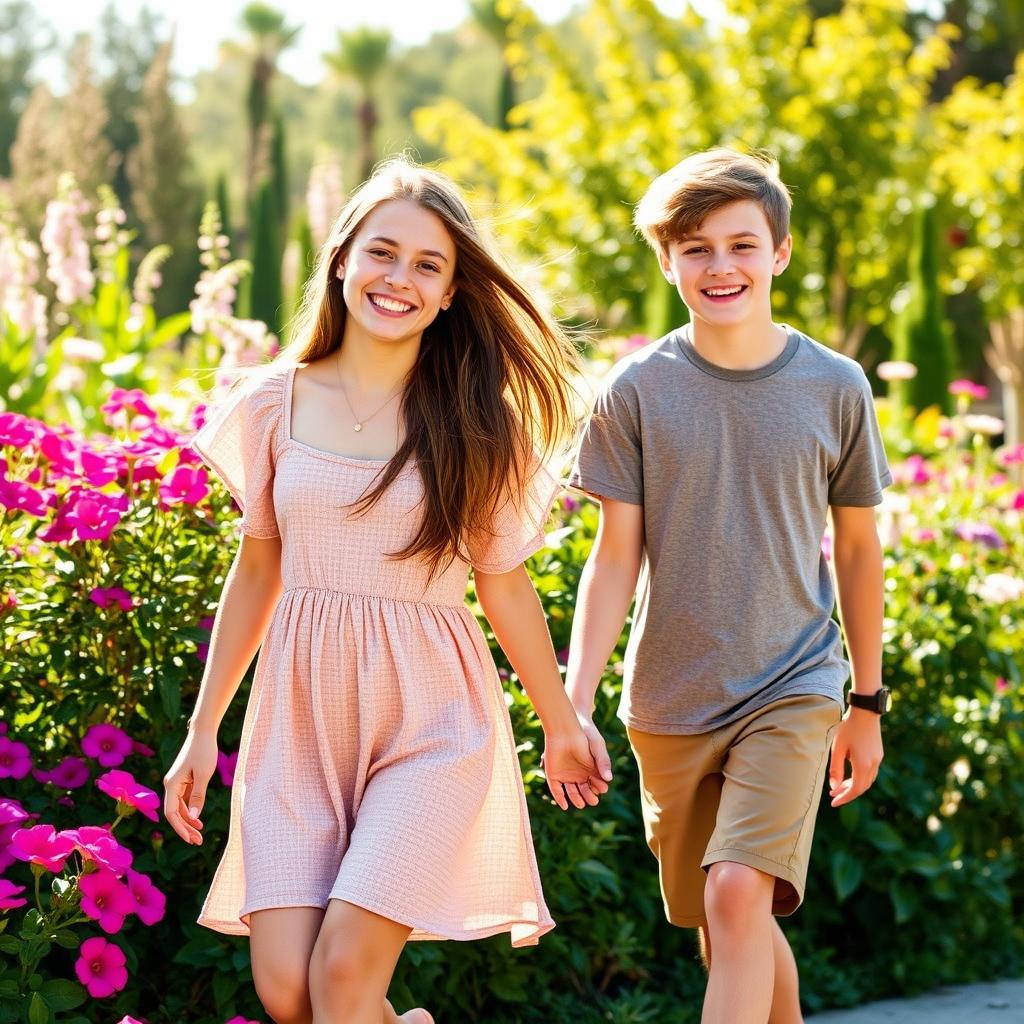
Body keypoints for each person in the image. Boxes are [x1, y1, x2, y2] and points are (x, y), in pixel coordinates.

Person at [162, 159, 607, 1024]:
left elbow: (504, 586)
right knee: (289, 992)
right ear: (341, 260)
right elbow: (258, 569)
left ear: (449, 294)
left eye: (428, 265)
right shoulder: (268, 405)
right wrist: (200, 730)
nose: (399, 279)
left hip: (433, 725)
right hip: (296, 725)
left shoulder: (478, 425)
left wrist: (560, 721)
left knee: (341, 984)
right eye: (383, 252)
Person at [565, 148, 892, 1024]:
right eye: (696, 247)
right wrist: (574, 702)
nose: (721, 267)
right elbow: (614, 556)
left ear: (779, 254)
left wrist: (867, 701)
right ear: (667, 260)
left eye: (742, 245)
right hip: (670, 700)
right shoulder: (633, 391)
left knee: (739, 895)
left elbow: (859, 553)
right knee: (725, 924)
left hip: (794, 681)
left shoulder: (836, 387)